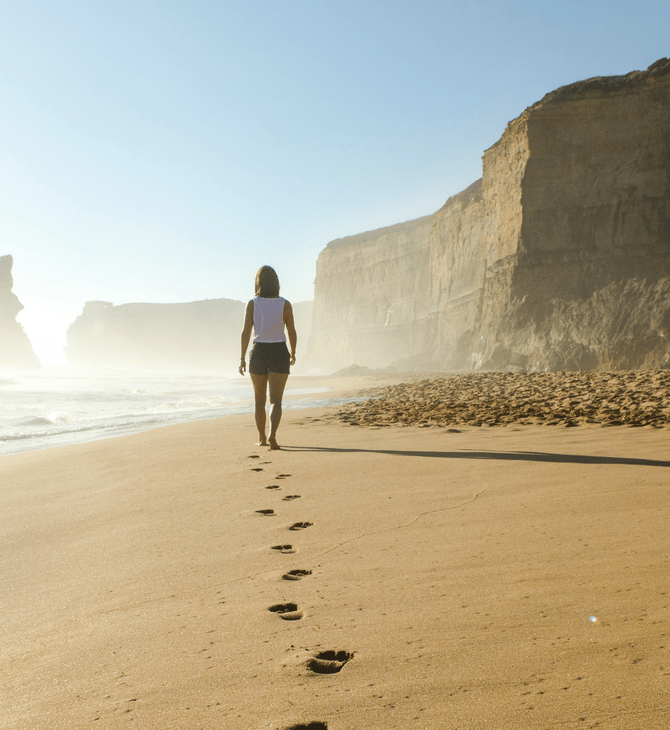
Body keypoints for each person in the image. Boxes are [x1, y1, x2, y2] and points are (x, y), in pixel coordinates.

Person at [239, 266, 297, 450]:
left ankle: (262, 438)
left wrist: (241, 358)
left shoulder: (252, 304)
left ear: (258, 283)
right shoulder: (285, 304)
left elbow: (245, 333)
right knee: (276, 401)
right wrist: (293, 352)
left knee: (259, 400)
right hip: (279, 350)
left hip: (259, 352)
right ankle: (273, 435)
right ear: (276, 283)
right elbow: (292, 331)